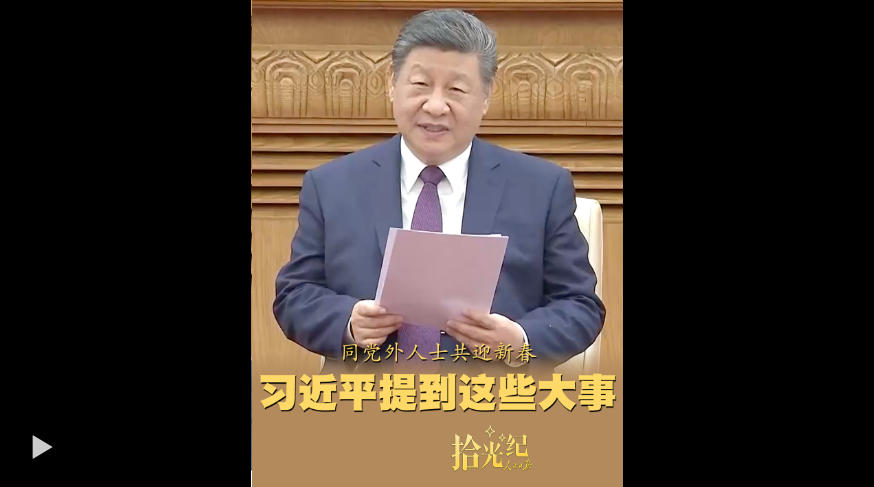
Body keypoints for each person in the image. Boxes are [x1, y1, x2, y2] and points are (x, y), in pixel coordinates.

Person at [273, 9, 605, 378]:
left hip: (493, 402)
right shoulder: (332, 185)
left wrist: (521, 340)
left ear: (486, 97)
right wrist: (347, 322)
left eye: (456, 90)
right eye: (420, 84)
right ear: (391, 85)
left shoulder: (541, 188)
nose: (435, 105)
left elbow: (580, 305)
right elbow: (295, 296)